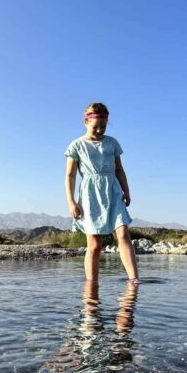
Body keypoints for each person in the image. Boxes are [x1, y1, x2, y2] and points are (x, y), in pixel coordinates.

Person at [65, 102, 139, 283]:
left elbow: (119, 170)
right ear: (85, 122)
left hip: (113, 192)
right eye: (95, 127)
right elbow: (70, 175)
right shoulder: (76, 145)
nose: (99, 130)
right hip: (91, 195)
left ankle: (134, 280)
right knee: (95, 245)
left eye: (103, 127)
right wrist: (71, 201)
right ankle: (91, 285)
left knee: (123, 234)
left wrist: (126, 190)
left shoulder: (112, 143)